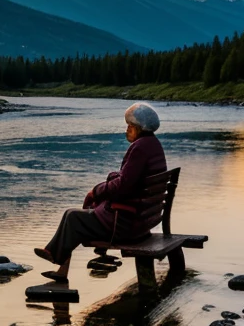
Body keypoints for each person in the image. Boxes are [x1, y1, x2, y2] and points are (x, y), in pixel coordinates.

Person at [34, 102, 166, 281]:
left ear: (138, 128)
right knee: (75, 216)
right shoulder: (153, 144)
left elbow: (123, 186)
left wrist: (96, 191)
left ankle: (57, 258)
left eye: (129, 127)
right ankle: (59, 265)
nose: (126, 130)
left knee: (73, 217)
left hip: (125, 225)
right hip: (141, 221)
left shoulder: (140, 148)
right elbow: (131, 178)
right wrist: (114, 177)